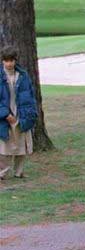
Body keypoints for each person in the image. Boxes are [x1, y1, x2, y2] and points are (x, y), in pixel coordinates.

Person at [0, 47, 39, 180]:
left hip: (21, 113)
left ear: (15, 60)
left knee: (21, 145)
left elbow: (30, 95)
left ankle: (19, 172)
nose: (9, 63)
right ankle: (2, 173)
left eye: (11, 60)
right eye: (6, 60)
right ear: (3, 61)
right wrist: (5, 114)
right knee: (4, 146)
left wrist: (30, 113)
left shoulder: (23, 75)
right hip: (5, 115)